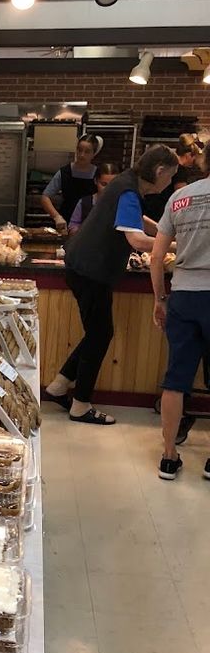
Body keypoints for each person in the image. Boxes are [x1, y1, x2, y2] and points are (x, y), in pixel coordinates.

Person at [44, 144, 178, 425]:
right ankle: (80, 405)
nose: (168, 184)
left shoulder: (125, 183)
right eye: (170, 177)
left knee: (97, 333)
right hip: (92, 271)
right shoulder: (129, 190)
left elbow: (136, 221)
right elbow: (137, 240)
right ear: (160, 171)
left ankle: (58, 387)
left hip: (83, 267)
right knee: (100, 335)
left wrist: (166, 229)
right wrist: (175, 243)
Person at [151, 172, 210, 479]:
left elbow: (157, 256)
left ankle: (169, 456)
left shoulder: (181, 197)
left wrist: (160, 299)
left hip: (185, 296)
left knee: (175, 380)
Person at [41, 134, 104, 232]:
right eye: (79, 150)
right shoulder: (64, 172)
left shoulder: (98, 175)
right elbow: (45, 197)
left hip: (89, 226)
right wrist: (56, 216)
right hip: (65, 224)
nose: (82, 155)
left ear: (94, 154)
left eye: (87, 152)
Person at [143, 132, 204, 222]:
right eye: (195, 157)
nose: (194, 162)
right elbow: (182, 197)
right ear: (188, 155)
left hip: (148, 208)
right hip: (160, 213)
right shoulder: (180, 170)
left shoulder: (166, 164)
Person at [67, 162, 120, 233]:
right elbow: (73, 225)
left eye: (112, 184)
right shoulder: (84, 202)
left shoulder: (122, 203)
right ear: (95, 181)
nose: (108, 188)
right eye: (104, 184)